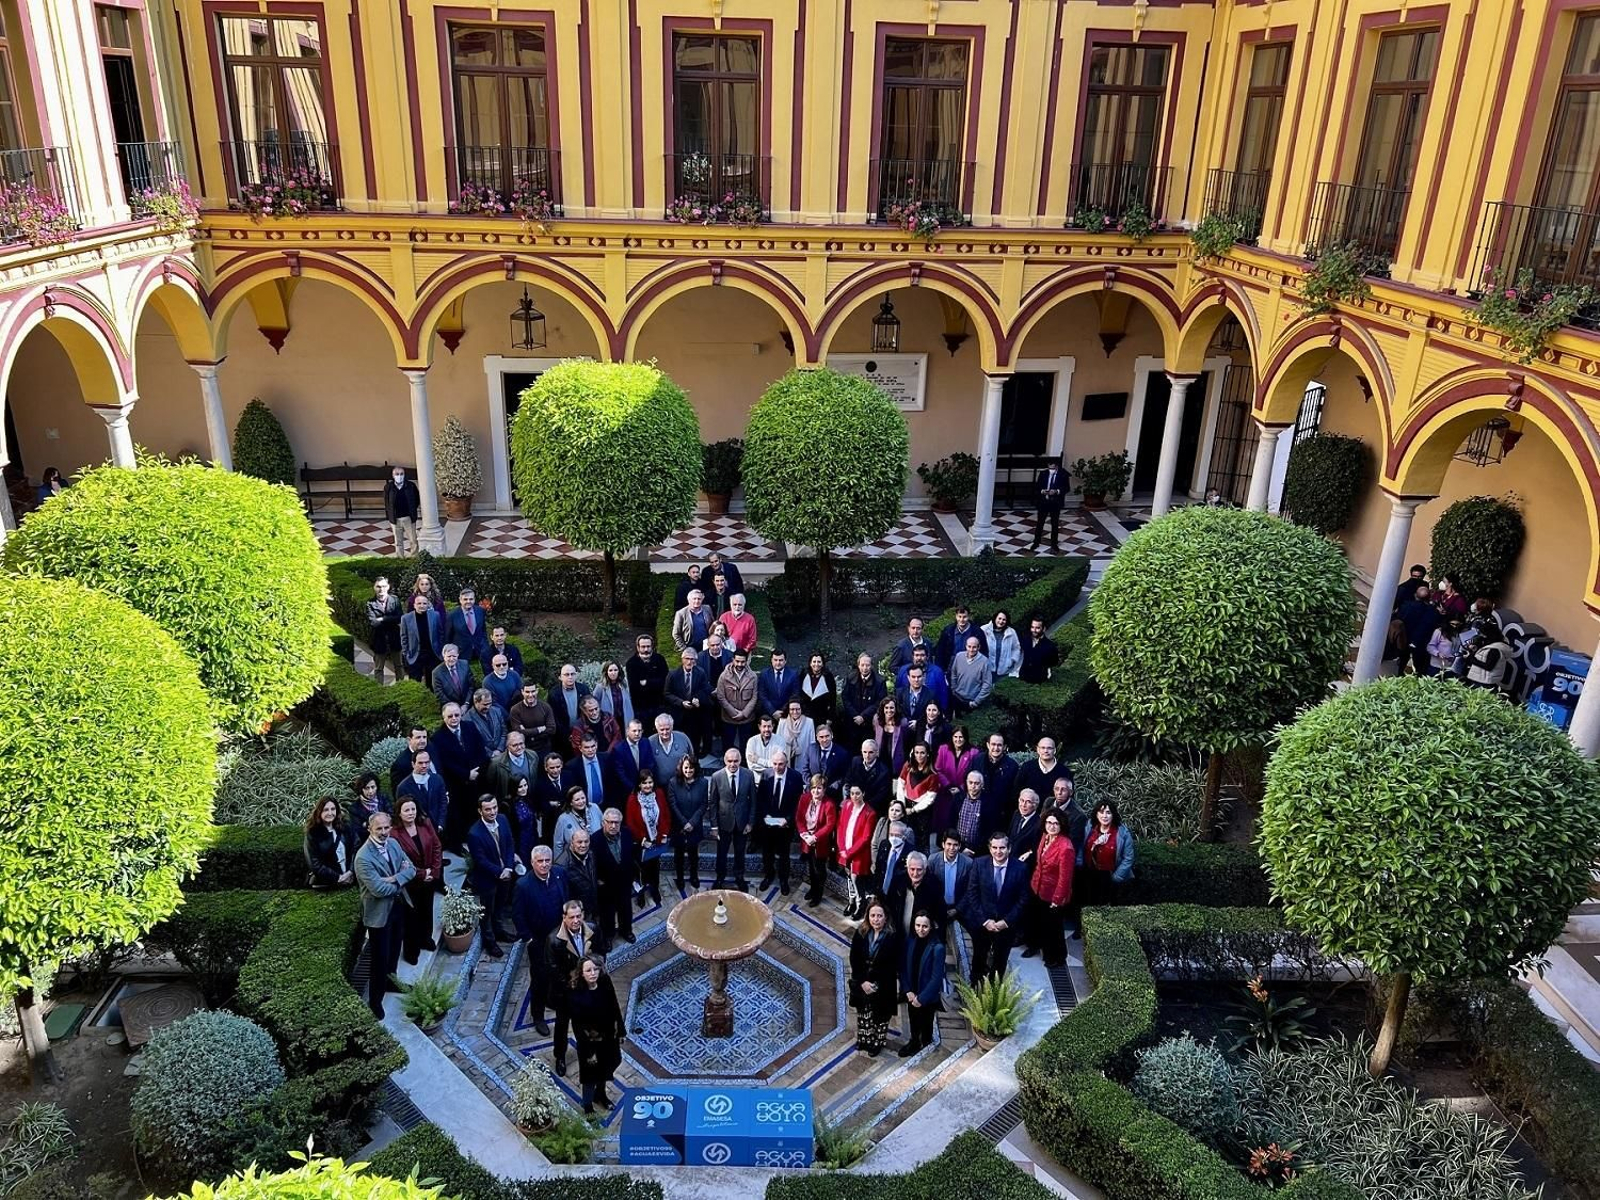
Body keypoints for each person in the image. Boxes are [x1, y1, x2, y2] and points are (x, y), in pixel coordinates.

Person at [354, 812, 416, 1018]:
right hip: (379, 914)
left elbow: (412, 869)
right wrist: (400, 880)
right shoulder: (363, 857)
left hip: (397, 907)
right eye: (378, 829)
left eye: (386, 828)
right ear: (370, 829)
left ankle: (392, 981)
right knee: (379, 959)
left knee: (395, 948)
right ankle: (375, 1000)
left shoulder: (394, 844)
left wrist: (393, 879)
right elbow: (378, 889)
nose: (383, 832)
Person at [513, 846, 570, 1036]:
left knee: (559, 971)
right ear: (532, 862)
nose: (545, 864)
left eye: (547, 860)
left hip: (560, 938)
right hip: (538, 942)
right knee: (539, 980)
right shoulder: (523, 885)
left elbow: (567, 900)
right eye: (540, 861)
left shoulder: (560, 874)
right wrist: (528, 938)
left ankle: (552, 1000)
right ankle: (538, 1016)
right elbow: (518, 915)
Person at [960, 832, 1029, 985]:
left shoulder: (1020, 868)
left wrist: (1006, 921)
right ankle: (975, 989)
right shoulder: (978, 864)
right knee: (978, 957)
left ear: (1009, 849)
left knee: (1000, 961)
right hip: (982, 923)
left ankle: (993, 993)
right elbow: (972, 893)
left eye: (1002, 848)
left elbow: (1023, 899)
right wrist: (984, 920)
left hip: (1006, 926)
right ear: (990, 848)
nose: (998, 851)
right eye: (995, 847)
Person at [568, 955, 625, 1114]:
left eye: (595, 969)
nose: (593, 973)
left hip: (608, 1038)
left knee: (612, 1063)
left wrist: (620, 1030)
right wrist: (589, 1051)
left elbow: (614, 1005)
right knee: (590, 1076)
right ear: (582, 973)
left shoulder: (605, 982)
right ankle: (587, 1106)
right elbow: (578, 1026)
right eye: (588, 970)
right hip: (590, 1043)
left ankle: (600, 1094)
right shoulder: (576, 993)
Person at [545, 901, 595, 1077]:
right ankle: (560, 1057)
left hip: (585, 988)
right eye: (572, 917)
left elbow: (600, 952)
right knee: (562, 1026)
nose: (576, 920)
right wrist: (571, 983)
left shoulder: (591, 929)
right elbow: (552, 969)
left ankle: (587, 1050)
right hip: (565, 992)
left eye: (578, 916)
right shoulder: (554, 940)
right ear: (564, 918)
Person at [466, 795, 519, 958]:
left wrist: (509, 867)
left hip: (506, 873)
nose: (492, 812)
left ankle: (500, 931)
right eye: (488, 809)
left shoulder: (502, 820)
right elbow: (480, 860)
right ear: (480, 811)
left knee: (500, 906)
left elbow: (510, 843)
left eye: (494, 807)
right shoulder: (474, 833)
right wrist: (499, 871)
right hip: (487, 879)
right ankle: (490, 942)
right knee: (487, 912)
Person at [392, 796, 442, 964]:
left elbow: (436, 846)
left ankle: (425, 939)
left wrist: (434, 871)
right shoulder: (394, 833)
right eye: (406, 810)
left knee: (427, 911)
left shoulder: (425, 823)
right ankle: (411, 951)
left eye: (413, 809)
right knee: (411, 917)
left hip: (429, 879)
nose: (411, 813)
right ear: (399, 813)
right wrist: (422, 873)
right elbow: (401, 861)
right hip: (410, 882)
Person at [433, 702, 489, 850]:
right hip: (456, 784)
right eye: (450, 716)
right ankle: (460, 844)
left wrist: (476, 771)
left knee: (475, 812)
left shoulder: (469, 726)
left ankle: (477, 839)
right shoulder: (438, 738)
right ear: (444, 717)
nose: (454, 718)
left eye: (457, 715)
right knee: (460, 815)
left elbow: (480, 750)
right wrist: (466, 774)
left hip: (476, 778)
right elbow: (445, 763)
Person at [849, 901, 902, 1056]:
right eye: (873, 916)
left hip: (884, 984)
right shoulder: (861, 933)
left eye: (879, 916)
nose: (876, 919)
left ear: (885, 918)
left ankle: (877, 1043)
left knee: (880, 1015)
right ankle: (864, 1040)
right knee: (864, 1012)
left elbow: (894, 964)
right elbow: (854, 958)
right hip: (863, 981)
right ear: (868, 917)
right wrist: (862, 981)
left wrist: (877, 984)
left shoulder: (893, 937)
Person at [1024, 809, 1074, 964]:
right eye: (1049, 822)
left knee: (1052, 927)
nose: (1051, 826)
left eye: (1055, 823)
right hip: (1037, 887)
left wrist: (1057, 899)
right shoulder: (1045, 837)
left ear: (1061, 825)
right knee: (1034, 920)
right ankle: (1033, 946)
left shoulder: (1066, 847)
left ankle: (1056, 958)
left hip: (1053, 894)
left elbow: (1065, 878)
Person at [1076, 801, 1135, 921]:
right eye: (1101, 812)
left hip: (1110, 876)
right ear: (1096, 814)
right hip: (1089, 874)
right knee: (1087, 904)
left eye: (1108, 812)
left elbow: (1128, 857)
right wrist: (1080, 864)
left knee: (1106, 910)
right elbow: (1081, 847)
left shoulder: (1122, 832)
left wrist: (1117, 877)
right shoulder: (1089, 827)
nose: (1105, 816)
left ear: (1113, 815)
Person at [708, 747, 756, 890]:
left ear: (740, 760)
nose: (733, 764)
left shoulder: (748, 775)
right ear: (725, 760)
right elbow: (713, 803)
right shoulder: (717, 776)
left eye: (736, 761)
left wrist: (751, 822)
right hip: (724, 823)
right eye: (730, 761)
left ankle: (739, 877)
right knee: (721, 852)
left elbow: (753, 800)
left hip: (742, 823)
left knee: (740, 852)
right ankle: (719, 877)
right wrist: (714, 826)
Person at [755, 749, 802, 893]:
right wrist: (766, 816)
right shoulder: (766, 774)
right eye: (774, 764)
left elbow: (798, 803)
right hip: (768, 823)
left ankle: (783, 879)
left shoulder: (796, 777)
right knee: (767, 852)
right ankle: (768, 876)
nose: (777, 767)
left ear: (786, 763)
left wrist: (787, 820)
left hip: (785, 825)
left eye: (780, 764)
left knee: (784, 854)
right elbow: (760, 799)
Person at [899, 910, 945, 1055]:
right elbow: (903, 968)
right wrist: (907, 990)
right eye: (917, 925)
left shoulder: (938, 948)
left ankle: (926, 1043)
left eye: (924, 926)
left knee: (926, 1023)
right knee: (913, 1020)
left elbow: (936, 978)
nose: (920, 929)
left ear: (931, 926)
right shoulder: (910, 941)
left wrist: (922, 998)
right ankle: (914, 1042)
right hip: (912, 992)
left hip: (927, 997)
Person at [592, 807, 637, 951]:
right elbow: (592, 864)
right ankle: (608, 936)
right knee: (607, 913)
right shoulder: (595, 839)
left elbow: (631, 855)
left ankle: (626, 931)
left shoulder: (627, 833)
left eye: (616, 823)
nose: (613, 826)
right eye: (610, 822)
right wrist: (598, 881)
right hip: (606, 885)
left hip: (624, 881)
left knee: (626, 908)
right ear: (603, 822)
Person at [625, 769, 671, 905]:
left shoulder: (660, 794)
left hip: (656, 840)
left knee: (655, 868)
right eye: (644, 783)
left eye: (650, 782)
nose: (648, 785)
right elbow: (630, 822)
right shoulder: (632, 799)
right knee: (642, 871)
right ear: (639, 784)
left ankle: (654, 889)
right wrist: (642, 840)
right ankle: (641, 893)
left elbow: (666, 815)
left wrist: (664, 834)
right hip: (642, 842)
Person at [834, 784, 876, 918]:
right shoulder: (846, 805)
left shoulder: (870, 812)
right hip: (844, 850)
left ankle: (860, 904)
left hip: (858, 853)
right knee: (848, 876)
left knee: (856, 879)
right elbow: (840, 827)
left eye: (857, 793)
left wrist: (849, 852)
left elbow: (866, 837)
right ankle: (851, 902)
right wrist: (841, 849)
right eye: (852, 793)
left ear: (863, 793)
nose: (854, 797)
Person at [668, 753, 709, 889]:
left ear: (695, 768)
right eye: (686, 768)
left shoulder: (703, 783)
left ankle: (694, 876)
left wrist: (692, 822)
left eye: (691, 768)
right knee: (678, 854)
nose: (688, 771)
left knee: (693, 854)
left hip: (695, 825)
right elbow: (673, 804)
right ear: (681, 768)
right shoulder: (673, 782)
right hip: (679, 826)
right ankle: (680, 878)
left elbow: (703, 804)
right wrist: (684, 822)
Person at [796, 773, 838, 907]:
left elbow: (829, 825)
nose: (816, 791)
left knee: (819, 870)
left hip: (820, 843)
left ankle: (818, 894)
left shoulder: (829, 804)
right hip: (806, 840)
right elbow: (799, 818)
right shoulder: (804, 798)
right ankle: (812, 889)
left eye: (819, 788)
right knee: (811, 867)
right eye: (813, 788)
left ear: (824, 789)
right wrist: (804, 834)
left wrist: (815, 837)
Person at [665, 648, 713, 754]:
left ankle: (693, 761)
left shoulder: (700, 673)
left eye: (692, 659)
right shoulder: (673, 674)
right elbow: (667, 694)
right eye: (687, 659)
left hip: (694, 714)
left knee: (693, 740)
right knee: (678, 740)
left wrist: (697, 698)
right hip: (678, 713)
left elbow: (705, 689)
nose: (689, 662)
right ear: (682, 659)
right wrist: (681, 702)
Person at [926, 830, 971, 939]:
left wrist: (957, 909)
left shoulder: (968, 863)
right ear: (943, 844)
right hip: (938, 907)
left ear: (959, 846)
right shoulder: (933, 860)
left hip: (959, 908)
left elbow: (970, 890)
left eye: (955, 845)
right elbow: (929, 887)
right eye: (949, 844)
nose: (952, 848)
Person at [396, 747, 450, 837]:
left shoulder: (437, 779)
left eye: (427, 762)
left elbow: (443, 802)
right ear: (413, 764)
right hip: (418, 831)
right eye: (420, 763)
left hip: (438, 829)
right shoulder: (403, 787)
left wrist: (441, 824)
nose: (424, 766)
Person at [714, 647, 760, 752]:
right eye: (737, 661)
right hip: (728, 719)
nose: (740, 664)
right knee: (727, 745)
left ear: (747, 661)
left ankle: (744, 764)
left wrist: (744, 713)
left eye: (742, 662)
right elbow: (721, 697)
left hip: (747, 719)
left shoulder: (753, 677)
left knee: (746, 746)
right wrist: (734, 713)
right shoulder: (724, 676)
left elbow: (754, 697)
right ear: (733, 660)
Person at [304, 798, 355, 888]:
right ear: (319, 812)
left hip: (350, 879)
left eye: (333, 809)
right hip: (327, 884)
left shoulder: (345, 827)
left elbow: (356, 849)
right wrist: (338, 878)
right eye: (326, 810)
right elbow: (315, 864)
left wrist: (350, 872)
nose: (330, 813)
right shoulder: (312, 834)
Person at [562, 734, 616, 816]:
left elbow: (612, 784)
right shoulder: (572, 766)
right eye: (586, 747)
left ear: (597, 745)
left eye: (593, 746)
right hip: (583, 809)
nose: (590, 750)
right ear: (580, 748)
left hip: (606, 806)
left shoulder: (607, 758)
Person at [887, 850, 938, 935]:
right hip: (898, 932)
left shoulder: (933, 885)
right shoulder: (898, 880)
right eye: (912, 869)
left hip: (920, 936)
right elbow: (889, 904)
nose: (915, 873)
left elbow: (937, 912)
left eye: (919, 870)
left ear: (925, 870)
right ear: (907, 868)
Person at [953, 770, 1002, 856]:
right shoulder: (958, 798)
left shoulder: (990, 803)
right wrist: (961, 848)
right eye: (970, 783)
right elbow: (951, 824)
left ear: (982, 785)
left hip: (979, 852)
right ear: (966, 783)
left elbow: (990, 831)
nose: (973, 786)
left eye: (976, 783)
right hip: (958, 849)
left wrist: (975, 851)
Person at [898, 741, 940, 842]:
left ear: (928, 754)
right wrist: (902, 805)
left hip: (922, 811)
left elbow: (930, 798)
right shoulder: (908, 766)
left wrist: (914, 810)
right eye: (916, 752)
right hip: (905, 806)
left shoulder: (932, 774)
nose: (919, 756)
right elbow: (900, 784)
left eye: (922, 753)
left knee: (919, 839)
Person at [367, 576, 405, 684]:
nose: (381, 589)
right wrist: (390, 619)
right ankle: (379, 691)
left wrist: (382, 619)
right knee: (379, 668)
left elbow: (399, 617)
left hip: (395, 637)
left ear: (388, 587)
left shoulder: (395, 600)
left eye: (383, 586)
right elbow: (373, 623)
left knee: (399, 665)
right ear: (374, 588)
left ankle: (401, 687)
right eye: (378, 586)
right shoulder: (370, 603)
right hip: (379, 639)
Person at [626, 634, 670, 725]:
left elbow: (665, 682)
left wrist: (647, 682)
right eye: (643, 647)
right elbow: (634, 687)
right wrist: (655, 683)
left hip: (659, 705)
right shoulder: (631, 663)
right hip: (640, 708)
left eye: (648, 646)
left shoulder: (660, 659)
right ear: (638, 648)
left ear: (652, 647)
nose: (646, 649)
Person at [488, 730, 538, 812]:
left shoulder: (533, 756)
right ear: (507, 746)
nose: (519, 747)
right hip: (509, 806)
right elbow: (491, 786)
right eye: (515, 745)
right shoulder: (496, 763)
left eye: (521, 743)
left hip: (529, 801)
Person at [841, 653, 887, 739]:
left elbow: (880, 701)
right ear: (858, 665)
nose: (865, 668)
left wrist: (863, 716)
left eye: (867, 665)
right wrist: (855, 715)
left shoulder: (880, 681)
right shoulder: (851, 678)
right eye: (862, 665)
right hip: (852, 720)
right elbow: (845, 697)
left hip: (870, 721)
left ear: (872, 666)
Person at [552, 785, 604, 862]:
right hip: (574, 861)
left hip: (598, 855)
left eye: (583, 798)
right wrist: (557, 864)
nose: (581, 801)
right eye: (577, 800)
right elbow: (558, 845)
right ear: (571, 803)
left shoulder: (595, 808)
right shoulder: (563, 819)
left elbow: (604, 829)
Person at [799, 722, 850, 799]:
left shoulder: (842, 753)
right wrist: (813, 785)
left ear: (832, 735)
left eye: (827, 736)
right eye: (821, 737)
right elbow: (804, 770)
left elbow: (844, 775)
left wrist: (830, 788)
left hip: (832, 794)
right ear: (817, 737)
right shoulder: (811, 749)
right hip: (812, 793)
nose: (824, 739)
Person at [400, 595, 444, 683]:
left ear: (428, 605)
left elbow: (441, 634)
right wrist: (406, 653)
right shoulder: (406, 618)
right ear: (414, 605)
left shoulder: (435, 615)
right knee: (414, 683)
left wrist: (440, 650)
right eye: (419, 603)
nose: (422, 605)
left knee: (432, 682)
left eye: (424, 603)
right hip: (415, 654)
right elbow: (404, 637)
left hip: (432, 654)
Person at [1399, 584, 1441, 676]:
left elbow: (1400, 620)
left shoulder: (1406, 607)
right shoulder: (1433, 612)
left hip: (1405, 641)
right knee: (1420, 670)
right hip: (1422, 644)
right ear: (1429, 597)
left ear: (1415, 595)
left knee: (1401, 665)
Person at [608, 717, 655, 801]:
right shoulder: (618, 749)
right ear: (627, 731)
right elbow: (621, 774)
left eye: (639, 731)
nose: (637, 733)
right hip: (628, 792)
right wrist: (634, 789)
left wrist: (646, 784)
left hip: (646, 788)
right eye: (634, 731)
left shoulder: (645, 742)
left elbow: (650, 763)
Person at [1464, 616, 1514, 692]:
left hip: (1484, 682)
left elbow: (1488, 666)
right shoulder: (1493, 645)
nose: (1481, 635)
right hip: (1483, 679)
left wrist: (1471, 659)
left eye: (1482, 634)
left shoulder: (1495, 649)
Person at [845, 739, 893, 815]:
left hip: (872, 808)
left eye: (871, 752)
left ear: (877, 753)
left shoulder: (884, 771)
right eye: (865, 752)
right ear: (861, 751)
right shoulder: (855, 761)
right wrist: (849, 800)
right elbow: (847, 782)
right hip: (854, 802)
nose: (867, 756)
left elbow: (881, 795)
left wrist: (864, 807)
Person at [508, 682, 556, 758]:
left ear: (537, 691)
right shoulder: (515, 710)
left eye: (533, 691)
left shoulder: (546, 707)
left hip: (544, 748)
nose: (530, 695)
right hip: (525, 749)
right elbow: (518, 733)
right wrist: (538, 729)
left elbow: (552, 729)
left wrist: (529, 734)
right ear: (522, 692)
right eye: (527, 692)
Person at [648, 713, 695, 790]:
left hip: (681, 785)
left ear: (672, 727)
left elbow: (692, 759)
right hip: (658, 787)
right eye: (662, 730)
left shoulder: (683, 738)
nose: (665, 732)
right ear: (656, 729)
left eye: (667, 729)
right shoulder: (650, 742)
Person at [895, 646, 950, 712]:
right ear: (913, 656)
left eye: (922, 655)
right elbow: (898, 689)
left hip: (930, 712)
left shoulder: (937, 671)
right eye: (917, 655)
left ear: (927, 657)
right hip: (907, 711)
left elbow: (943, 693)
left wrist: (942, 711)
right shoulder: (903, 670)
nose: (919, 658)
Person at [550, 663, 592, 749]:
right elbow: (554, 718)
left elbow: (589, 711)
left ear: (576, 675)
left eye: (572, 674)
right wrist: (567, 735)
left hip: (583, 734)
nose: (570, 677)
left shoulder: (584, 689)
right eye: (566, 674)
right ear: (560, 677)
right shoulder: (554, 694)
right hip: (563, 738)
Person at [949, 636, 995, 713]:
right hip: (957, 696)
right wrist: (954, 688)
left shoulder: (984, 662)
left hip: (972, 701)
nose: (971, 649)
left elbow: (987, 684)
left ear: (979, 647)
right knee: (957, 721)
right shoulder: (959, 656)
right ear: (966, 646)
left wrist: (976, 702)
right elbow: (954, 673)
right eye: (969, 646)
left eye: (974, 647)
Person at [530, 752, 569, 845]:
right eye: (552, 768)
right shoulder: (539, 784)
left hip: (568, 820)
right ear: (545, 768)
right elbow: (537, 805)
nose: (555, 770)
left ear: (562, 765)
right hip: (550, 825)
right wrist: (549, 804)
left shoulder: (569, 776)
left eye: (558, 767)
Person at [1016, 737, 1070, 802]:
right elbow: (1016, 792)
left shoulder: (1064, 771)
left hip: (1054, 811)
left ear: (1055, 750)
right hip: (1030, 811)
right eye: (1043, 748)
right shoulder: (1027, 768)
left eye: (1049, 748)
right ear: (1038, 750)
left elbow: (1069, 797)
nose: (1046, 751)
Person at [383, 465, 422, 556]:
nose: (399, 476)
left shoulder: (411, 486)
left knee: (413, 540)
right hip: (395, 519)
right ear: (393, 475)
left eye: (401, 474)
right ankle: (400, 559)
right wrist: (390, 515)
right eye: (397, 474)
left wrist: (412, 510)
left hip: (408, 517)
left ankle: (414, 558)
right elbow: (387, 503)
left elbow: (416, 499)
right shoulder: (388, 487)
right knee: (398, 541)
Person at [935, 607, 988, 673]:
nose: (962, 619)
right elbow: (940, 651)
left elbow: (984, 651)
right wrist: (940, 669)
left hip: (970, 665)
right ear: (956, 616)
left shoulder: (977, 632)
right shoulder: (948, 631)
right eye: (959, 617)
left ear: (969, 616)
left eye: (964, 617)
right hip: (950, 665)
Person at [1030, 456, 1067, 551]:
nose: (1051, 469)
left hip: (1055, 503)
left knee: (1054, 524)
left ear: (1057, 466)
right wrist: (1043, 491)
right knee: (1040, 523)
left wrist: (1056, 491)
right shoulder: (1043, 474)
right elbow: (1037, 487)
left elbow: (1066, 488)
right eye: (1049, 467)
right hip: (1044, 502)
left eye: (1053, 467)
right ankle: (1036, 542)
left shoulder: (1063, 475)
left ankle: (1054, 544)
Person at [447, 588, 491, 666]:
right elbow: (447, 637)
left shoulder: (480, 611)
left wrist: (485, 646)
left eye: (471, 599)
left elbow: (483, 630)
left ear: (474, 599)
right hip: (462, 653)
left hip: (480, 650)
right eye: (465, 599)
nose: (468, 601)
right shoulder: (452, 615)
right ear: (460, 600)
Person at [568, 695, 621, 759]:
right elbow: (577, 748)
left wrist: (608, 752)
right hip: (592, 758)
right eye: (591, 710)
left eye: (596, 708)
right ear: (584, 711)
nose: (595, 712)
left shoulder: (609, 717)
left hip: (611, 754)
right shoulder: (578, 726)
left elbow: (617, 736)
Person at [349, 773, 392, 846]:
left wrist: (366, 823)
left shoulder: (383, 798)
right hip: (369, 842)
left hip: (389, 837)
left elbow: (391, 815)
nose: (370, 791)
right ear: (361, 789)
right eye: (367, 788)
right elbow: (358, 830)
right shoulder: (355, 808)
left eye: (373, 787)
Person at [935, 725, 980, 792]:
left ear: (965, 738)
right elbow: (938, 770)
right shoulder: (943, 749)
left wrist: (961, 788)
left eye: (961, 737)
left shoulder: (973, 752)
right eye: (955, 737)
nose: (958, 740)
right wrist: (947, 785)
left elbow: (975, 773)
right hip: (945, 789)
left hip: (965, 791)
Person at [978, 733, 1019, 807]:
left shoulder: (1012, 766)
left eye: (999, 745)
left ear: (1004, 747)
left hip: (1001, 810)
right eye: (993, 744)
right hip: (979, 807)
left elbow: (1014, 792)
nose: (996, 748)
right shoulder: (978, 761)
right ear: (988, 745)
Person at [758, 649, 799, 719]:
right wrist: (773, 711)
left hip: (787, 714)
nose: (778, 663)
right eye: (775, 660)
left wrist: (783, 711)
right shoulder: (764, 674)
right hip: (768, 714)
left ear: (785, 661)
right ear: (771, 660)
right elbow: (762, 695)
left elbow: (795, 694)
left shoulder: (793, 675)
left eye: (781, 660)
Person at [390, 726, 434, 793]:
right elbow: (399, 793)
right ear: (409, 740)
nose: (422, 741)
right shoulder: (400, 764)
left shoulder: (432, 751)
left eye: (424, 737)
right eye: (418, 737)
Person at [774, 698, 816, 766]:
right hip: (786, 758)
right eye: (792, 709)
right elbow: (777, 742)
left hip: (803, 758)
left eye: (797, 709)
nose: (795, 712)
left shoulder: (809, 722)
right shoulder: (782, 722)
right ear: (788, 710)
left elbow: (812, 743)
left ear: (801, 709)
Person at [506, 776, 539, 864]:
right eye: (520, 787)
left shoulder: (529, 799)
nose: (524, 789)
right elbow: (509, 831)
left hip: (532, 840)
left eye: (525, 785)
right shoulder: (507, 805)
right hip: (519, 843)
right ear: (514, 788)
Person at [465, 687, 507, 756]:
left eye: (490, 703)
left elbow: (504, 732)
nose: (488, 707)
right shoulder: (467, 720)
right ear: (476, 702)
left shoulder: (497, 711)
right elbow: (473, 742)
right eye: (485, 704)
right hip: (483, 757)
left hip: (501, 753)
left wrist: (499, 749)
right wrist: (491, 754)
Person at [873, 696, 910, 773]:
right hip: (881, 763)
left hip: (896, 764)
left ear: (896, 709)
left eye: (891, 708)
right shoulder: (877, 720)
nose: (889, 710)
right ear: (882, 709)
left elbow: (906, 743)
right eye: (886, 708)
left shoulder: (903, 723)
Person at [594, 660, 635, 729]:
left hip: (624, 720)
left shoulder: (624, 685)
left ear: (619, 671)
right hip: (609, 721)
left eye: (615, 670)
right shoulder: (600, 687)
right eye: (610, 670)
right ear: (606, 672)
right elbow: (594, 703)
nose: (613, 673)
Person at [1017, 617, 1060, 684]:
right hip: (1022, 677)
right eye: (1032, 627)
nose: (1034, 630)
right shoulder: (1026, 639)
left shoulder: (1050, 646)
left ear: (1044, 629)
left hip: (1039, 681)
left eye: (1037, 628)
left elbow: (1054, 662)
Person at [982, 610, 1023, 679]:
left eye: (1004, 620)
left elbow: (1016, 648)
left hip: (1004, 670)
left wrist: (1012, 660)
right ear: (995, 618)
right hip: (987, 669)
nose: (1001, 621)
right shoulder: (984, 630)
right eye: (999, 618)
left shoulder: (1011, 632)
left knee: (1001, 688)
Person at [431, 644, 475, 708]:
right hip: (450, 709)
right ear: (444, 656)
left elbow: (472, 686)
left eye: (454, 656)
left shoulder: (465, 664)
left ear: (458, 655)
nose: (451, 659)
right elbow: (440, 695)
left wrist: (466, 704)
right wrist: (455, 708)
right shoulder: (436, 673)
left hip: (468, 705)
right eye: (449, 656)